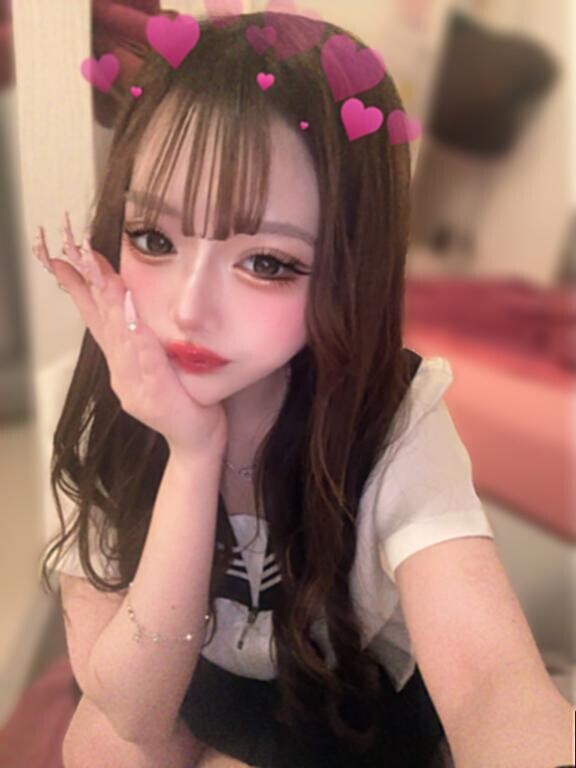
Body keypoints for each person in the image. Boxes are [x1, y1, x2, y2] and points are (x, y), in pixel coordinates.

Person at [34, 9, 497, 768]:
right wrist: (193, 455)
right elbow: (134, 714)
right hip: (193, 675)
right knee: (96, 746)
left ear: (349, 269)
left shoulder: (394, 416)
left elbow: (490, 681)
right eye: (154, 239)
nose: (188, 310)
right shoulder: (111, 394)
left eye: (268, 263)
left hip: (350, 709)